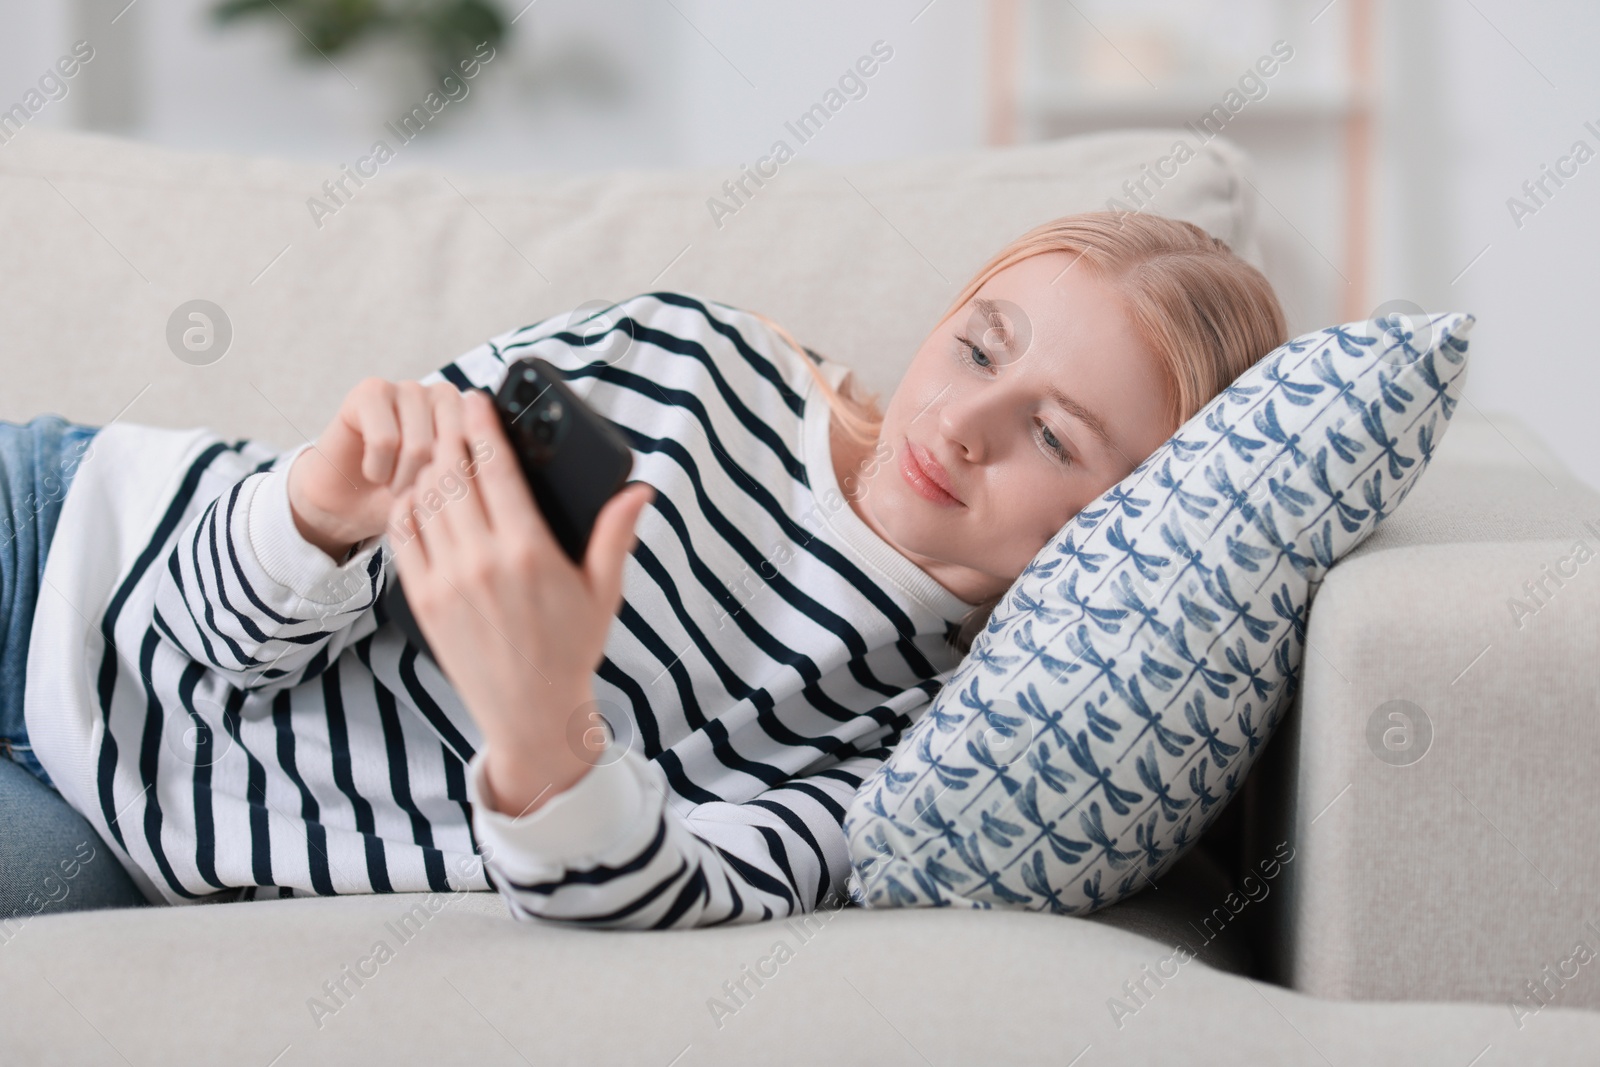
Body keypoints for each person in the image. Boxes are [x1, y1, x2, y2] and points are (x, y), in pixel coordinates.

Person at [0, 211, 1285, 929]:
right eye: (978, 347)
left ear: (1131, 525)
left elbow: (645, 895)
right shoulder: (686, 369)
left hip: (128, 836)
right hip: (68, 549)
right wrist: (320, 510)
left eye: (1053, 436)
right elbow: (191, 638)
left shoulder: (912, 752)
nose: (963, 422)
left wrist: (544, 729)